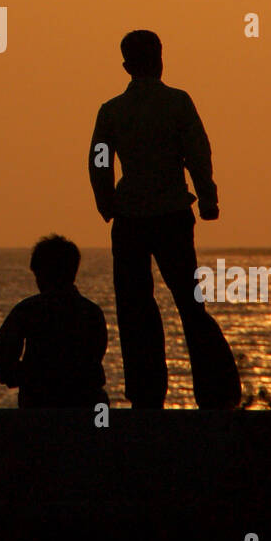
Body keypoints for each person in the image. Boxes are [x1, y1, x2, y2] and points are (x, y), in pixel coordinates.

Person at [89, 29, 240, 409]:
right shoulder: (177, 103)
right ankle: (215, 391)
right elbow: (197, 153)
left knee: (135, 306)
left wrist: (106, 202)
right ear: (160, 59)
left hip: (130, 219)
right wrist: (207, 198)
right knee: (190, 302)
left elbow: (99, 161)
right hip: (172, 214)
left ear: (126, 66)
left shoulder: (112, 111)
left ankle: (146, 392)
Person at [0, 235, 108, 408]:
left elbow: (1, 348)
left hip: (39, 398)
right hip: (84, 397)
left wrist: (22, 375)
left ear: (41, 273)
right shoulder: (91, 312)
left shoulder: (29, 309)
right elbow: (97, 351)